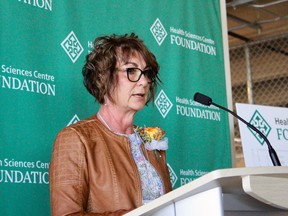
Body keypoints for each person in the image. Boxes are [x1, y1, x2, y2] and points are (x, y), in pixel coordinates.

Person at [49, 33, 172, 216]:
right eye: (131, 71)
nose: (144, 81)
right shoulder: (76, 138)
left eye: (147, 73)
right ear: (102, 78)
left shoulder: (150, 141)